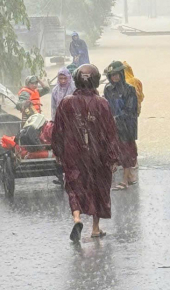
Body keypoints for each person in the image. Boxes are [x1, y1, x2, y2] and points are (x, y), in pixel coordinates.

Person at [52, 64, 119, 242]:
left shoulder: (66, 103)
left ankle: (77, 218)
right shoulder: (102, 103)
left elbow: (57, 130)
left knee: (74, 185)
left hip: (73, 152)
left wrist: (58, 152)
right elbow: (110, 133)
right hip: (98, 154)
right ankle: (95, 228)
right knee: (98, 186)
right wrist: (113, 157)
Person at [103, 61, 139, 190]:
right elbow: (105, 106)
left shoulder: (130, 89)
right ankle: (128, 176)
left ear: (122, 74)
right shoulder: (108, 89)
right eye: (112, 75)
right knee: (113, 152)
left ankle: (125, 180)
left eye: (117, 75)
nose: (115, 78)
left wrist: (116, 118)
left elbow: (130, 109)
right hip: (112, 126)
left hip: (126, 126)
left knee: (126, 153)